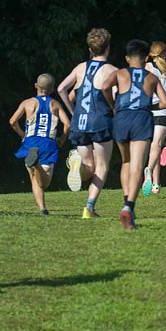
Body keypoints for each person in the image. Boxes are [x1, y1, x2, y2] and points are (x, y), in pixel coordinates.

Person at [58, 28, 119, 219]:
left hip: (79, 121)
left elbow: (61, 89)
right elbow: (116, 96)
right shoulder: (112, 71)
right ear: (108, 48)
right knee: (101, 167)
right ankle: (89, 207)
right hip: (100, 120)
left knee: (89, 168)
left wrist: (72, 111)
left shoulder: (80, 67)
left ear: (90, 49)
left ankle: (78, 166)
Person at [111, 39, 166, 230]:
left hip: (122, 117)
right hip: (141, 118)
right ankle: (129, 206)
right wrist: (148, 106)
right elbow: (165, 103)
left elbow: (103, 86)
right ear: (146, 59)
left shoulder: (119, 73)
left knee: (126, 162)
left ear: (127, 58)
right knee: (137, 165)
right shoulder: (151, 78)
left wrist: (114, 105)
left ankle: (125, 199)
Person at [9, 74, 70, 215]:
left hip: (30, 143)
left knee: (34, 178)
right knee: (44, 183)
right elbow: (67, 124)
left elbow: (12, 121)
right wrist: (62, 139)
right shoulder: (55, 104)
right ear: (52, 89)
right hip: (48, 143)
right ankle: (42, 208)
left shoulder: (27, 103)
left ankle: (42, 207)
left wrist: (22, 134)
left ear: (36, 86)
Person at [143, 42, 166, 197]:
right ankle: (150, 171)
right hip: (164, 111)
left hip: (148, 110)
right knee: (157, 145)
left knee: (152, 147)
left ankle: (154, 180)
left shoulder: (146, 68)